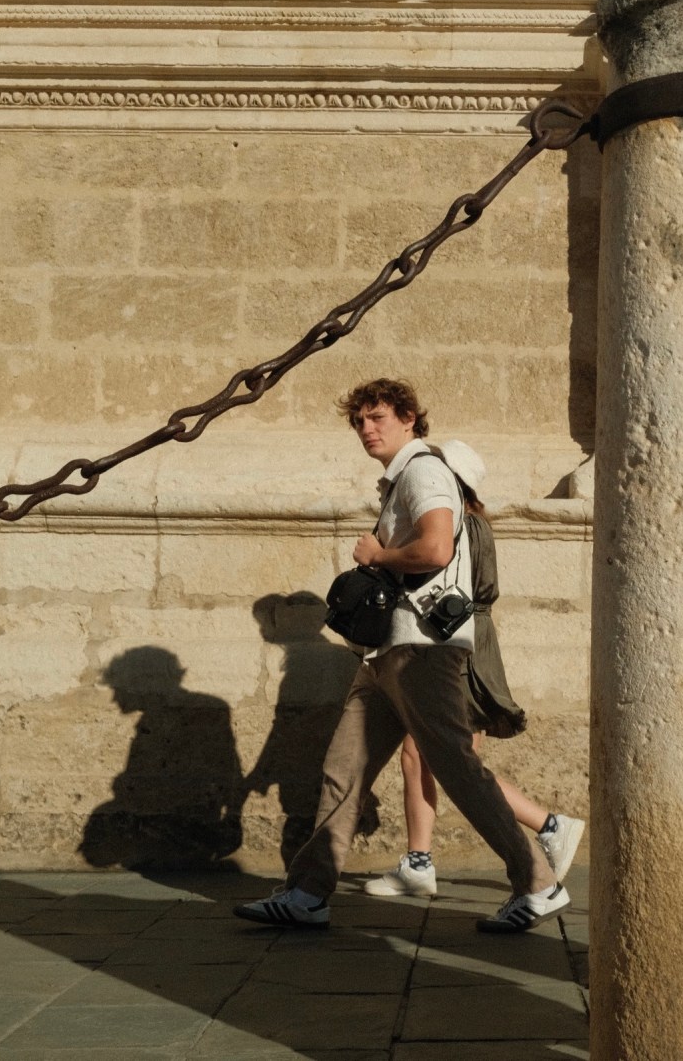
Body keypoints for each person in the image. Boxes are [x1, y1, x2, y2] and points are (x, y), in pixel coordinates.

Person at [235, 378, 572, 933]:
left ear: (409, 418)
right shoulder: (401, 479)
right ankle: (308, 893)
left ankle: (537, 883)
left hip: (422, 651)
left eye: (378, 418)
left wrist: (378, 555)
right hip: (385, 652)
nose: (366, 429)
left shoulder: (422, 472)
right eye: (359, 422)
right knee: (344, 770)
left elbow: (436, 548)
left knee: (457, 768)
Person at [363, 439, 584, 899]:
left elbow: (461, 588)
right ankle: (420, 859)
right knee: (429, 756)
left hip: (455, 644)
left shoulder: (464, 528)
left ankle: (546, 827)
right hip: (465, 642)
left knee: (443, 758)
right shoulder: (470, 524)